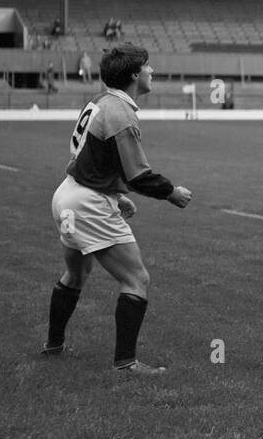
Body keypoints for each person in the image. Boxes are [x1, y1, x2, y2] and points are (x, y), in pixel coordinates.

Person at [43, 44, 193, 373]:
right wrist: (172, 192)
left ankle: (53, 345)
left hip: (68, 193)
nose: (152, 71)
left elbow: (88, 156)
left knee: (76, 273)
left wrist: (114, 192)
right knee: (137, 278)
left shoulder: (99, 102)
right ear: (135, 75)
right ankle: (126, 363)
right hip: (88, 203)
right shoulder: (121, 114)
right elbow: (139, 175)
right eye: (148, 67)